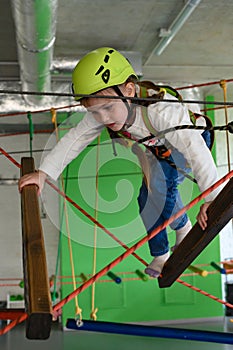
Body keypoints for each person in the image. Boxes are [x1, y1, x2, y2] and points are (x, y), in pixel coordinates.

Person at [18, 47, 220, 278]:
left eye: (107, 108)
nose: (103, 118)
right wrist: (43, 173)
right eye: (94, 112)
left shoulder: (161, 111)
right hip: (160, 149)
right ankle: (161, 252)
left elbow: (196, 151)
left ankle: (182, 227)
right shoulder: (104, 112)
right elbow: (75, 139)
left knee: (161, 185)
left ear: (130, 90)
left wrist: (212, 198)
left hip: (194, 139)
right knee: (145, 198)